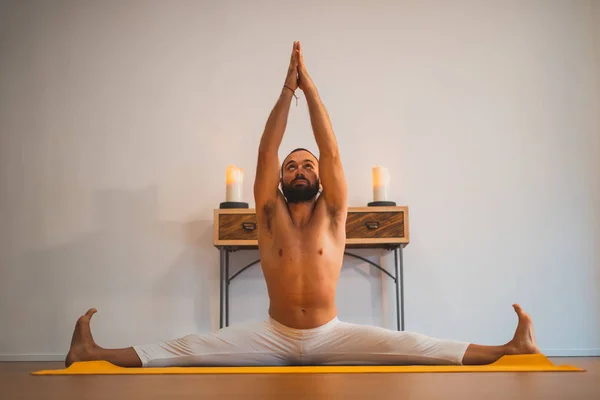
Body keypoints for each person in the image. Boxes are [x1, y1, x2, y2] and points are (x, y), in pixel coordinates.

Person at [65, 41, 540, 368]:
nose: (299, 170)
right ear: (280, 179)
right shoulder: (268, 217)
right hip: (271, 334)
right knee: (187, 345)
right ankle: (88, 353)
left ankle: (512, 348)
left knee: (415, 344)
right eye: (292, 166)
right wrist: (285, 91)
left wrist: (310, 89)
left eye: (306, 166)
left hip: (331, 334)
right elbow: (265, 153)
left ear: (318, 177)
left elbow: (330, 151)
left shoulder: (333, 216)